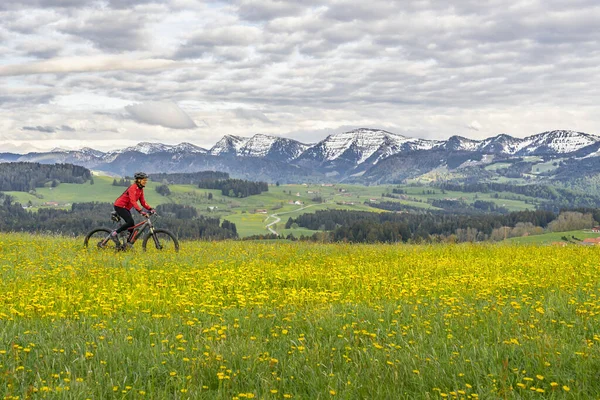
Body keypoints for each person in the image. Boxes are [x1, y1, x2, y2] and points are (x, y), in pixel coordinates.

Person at [109, 172, 155, 247]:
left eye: (146, 180)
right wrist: (140, 211)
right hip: (119, 206)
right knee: (130, 222)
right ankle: (114, 234)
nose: (146, 182)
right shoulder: (133, 188)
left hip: (126, 208)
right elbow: (133, 201)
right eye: (144, 180)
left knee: (132, 225)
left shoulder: (140, 190)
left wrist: (150, 209)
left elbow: (143, 202)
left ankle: (127, 244)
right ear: (138, 180)